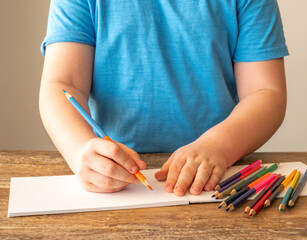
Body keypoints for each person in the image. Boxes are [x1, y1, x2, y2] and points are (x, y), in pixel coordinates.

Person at [39, 0, 289, 197]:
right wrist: (79, 148)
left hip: (219, 171)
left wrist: (219, 146)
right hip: (114, 175)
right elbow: (63, 85)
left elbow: (265, 93)